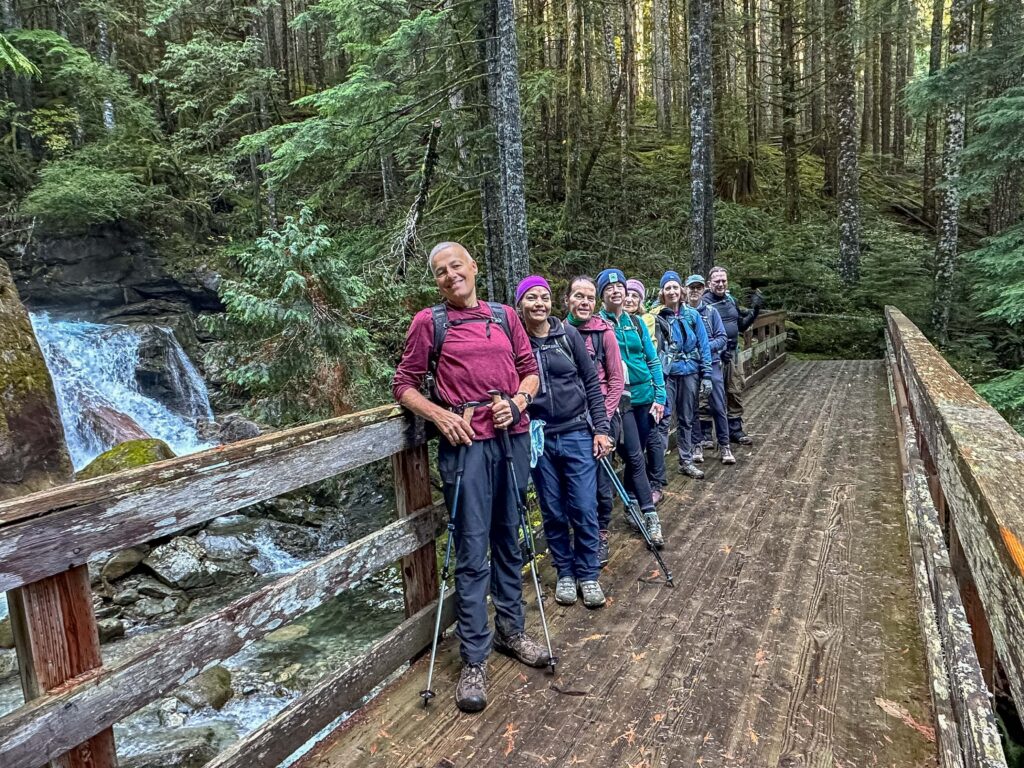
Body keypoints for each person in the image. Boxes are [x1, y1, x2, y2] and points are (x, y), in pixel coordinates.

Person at [392, 242, 548, 714]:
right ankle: (474, 658)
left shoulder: (505, 316)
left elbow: (529, 371)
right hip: (465, 448)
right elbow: (404, 384)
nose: (449, 276)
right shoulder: (430, 322)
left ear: (473, 267)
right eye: (440, 271)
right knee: (471, 546)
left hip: (512, 438)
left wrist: (518, 402)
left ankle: (511, 631)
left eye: (455, 266)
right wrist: (439, 416)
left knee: (509, 537)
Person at [515, 276, 614, 608]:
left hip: (575, 432)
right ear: (521, 304)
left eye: (543, 297)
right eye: (531, 298)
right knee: (553, 510)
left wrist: (601, 429)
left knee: (584, 507)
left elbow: (591, 382)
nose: (539, 303)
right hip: (539, 437)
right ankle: (566, 573)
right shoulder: (516, 342)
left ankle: (588, 573)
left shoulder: (567, 336)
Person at [597, 268, 667, 547]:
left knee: (637, 455)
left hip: (643, 398)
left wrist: (660, 396)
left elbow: (652, 360)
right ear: (602, 295)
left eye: (620, 287)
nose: (616, 291)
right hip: (615, 403)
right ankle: (627, 512)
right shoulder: (596, 324)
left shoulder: (636, 323)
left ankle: (638, 507)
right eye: (609, 288)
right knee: (631, 456)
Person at [564, 275, 625, 567]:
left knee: (600, 482)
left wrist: (604, 418)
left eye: (589, 297)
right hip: (569, 420)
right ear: (568, 300)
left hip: (600, 419)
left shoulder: (605, 333)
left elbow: (616, 380)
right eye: (579, 296)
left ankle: (599, 534)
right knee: (571, 483)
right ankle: (575, 536)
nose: (584, 302)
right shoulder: (558, 332)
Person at [654, 271, 713, 480]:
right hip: (667, 373)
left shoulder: (692, 315)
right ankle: (658, 467)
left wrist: (706, 374)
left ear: (681, 291)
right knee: (663, 419)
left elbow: (704, 345)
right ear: (663, 292)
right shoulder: (657, 316)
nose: (672, 291)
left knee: (687, 418)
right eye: (667, 288)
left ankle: (686, 460)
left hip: (690, 371)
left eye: (675, 287)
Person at [703, 266, 763, 445]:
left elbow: (741, 326)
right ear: (709, 283)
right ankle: (705, 433)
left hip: (733, 353)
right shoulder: (704, 303)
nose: (721, 284)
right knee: (706, 393)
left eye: (723, 281)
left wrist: (755, 312)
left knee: (734, 390)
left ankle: (735, 430)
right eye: (717, 281)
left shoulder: (731, 300)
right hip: (713, 355)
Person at [624, 278, 667, 504]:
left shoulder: (643, 321)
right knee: (635, 446)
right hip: (626, 395)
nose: (629, 299)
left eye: (635, 296)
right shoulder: (610, 322)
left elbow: (651, 356)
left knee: (651, 438)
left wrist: (659, 393)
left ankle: (654, 484)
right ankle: (638, 490)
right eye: (626, 294)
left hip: (645, 390)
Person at [683, 274, 734, 465]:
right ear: (685, 289)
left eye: (698, 287)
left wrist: (705, 347)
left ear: (703, 289)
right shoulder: (681, 313)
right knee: (692, 406)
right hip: (690, 366)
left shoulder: (711, 312)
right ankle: (696, 444)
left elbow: (722, 337)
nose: (694, 291)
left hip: (712, 364)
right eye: (691, 287)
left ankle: (725, 444)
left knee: (718, 405)